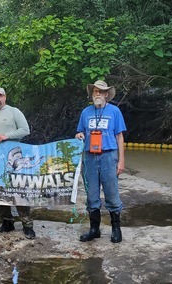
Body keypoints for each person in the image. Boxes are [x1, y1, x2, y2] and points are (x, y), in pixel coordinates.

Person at [0, 87, 35, 239]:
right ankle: (7, 222)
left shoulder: (14, 112)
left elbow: (25, 130)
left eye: (0, 96)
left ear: (5, 97)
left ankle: (27, 224)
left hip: (15, 157)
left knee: (18, 189)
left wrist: (6, 136)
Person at [75, 80, 126, 243]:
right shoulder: (86, 112)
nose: (97, 94)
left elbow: (119, 136)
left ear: (106, 95)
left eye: (100, 91)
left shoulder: (114, 111)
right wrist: (79, 135)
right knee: (92, 194)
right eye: (95, 91)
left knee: (111, 192)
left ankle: (116, 229)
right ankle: (94, 229)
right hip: (89, 156)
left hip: (108, 156)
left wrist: (121, 161)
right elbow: (80, 132)